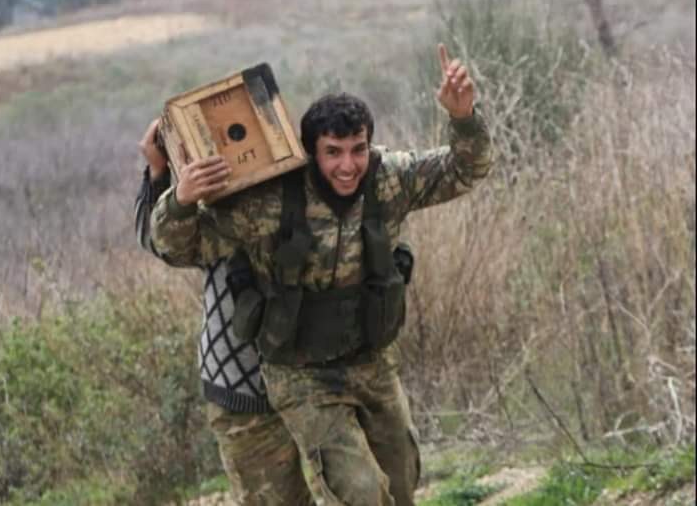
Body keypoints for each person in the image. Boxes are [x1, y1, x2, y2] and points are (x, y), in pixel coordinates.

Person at [150, 44, 493, 506]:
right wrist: (181, 199)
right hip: (300, 373)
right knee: (361, 493)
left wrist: (464, 116)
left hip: (370, 359)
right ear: (311, 152)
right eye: (333, 153)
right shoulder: (270, 201)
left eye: (357, 150)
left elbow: (466, 168)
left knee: (402, 482)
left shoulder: (389, 178)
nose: (347, 166)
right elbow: (179, 247)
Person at [135, 120, 313, 506]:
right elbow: (160, 242)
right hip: (241, 387)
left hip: (319, 380)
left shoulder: (309, 188)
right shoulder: (214, 208)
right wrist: (161, 176)